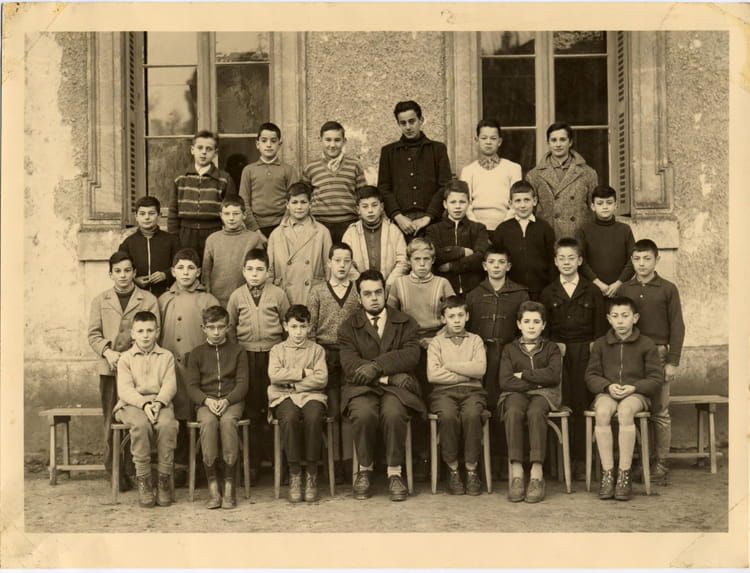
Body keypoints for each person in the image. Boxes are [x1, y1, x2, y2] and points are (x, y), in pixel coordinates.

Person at [339, 269, 426, 501]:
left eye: (378, 292)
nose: (374, 298)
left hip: (397, 389)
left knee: (394, 413)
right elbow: (350, 365)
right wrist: (388, 376)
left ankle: (395, 472)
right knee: (363, 413)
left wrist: (376, 367)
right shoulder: (348, 327)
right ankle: (364, 470)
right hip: (362, 388)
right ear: (359, 297)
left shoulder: (405, 322)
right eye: (367, 294)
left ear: (385, 293)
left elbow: (411, 355)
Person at [87, 251, 160, 483]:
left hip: (139, 370)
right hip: (109, 369)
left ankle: (135, 469)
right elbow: (93, 335)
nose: (123, 275)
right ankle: (115, 471)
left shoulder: (148, 299)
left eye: (127, 270)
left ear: (134, 272)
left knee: (136, 418)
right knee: (111, 419)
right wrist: (108, 352)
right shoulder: (100, 300)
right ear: (110, 274)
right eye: (117, 271)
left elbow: (154, 334)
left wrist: (129, 358)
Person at [617, 239, 685, 483]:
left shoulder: (668, 289)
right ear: (631, 261)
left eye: (647, 258)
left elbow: (677, 326)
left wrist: (672, 362)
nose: (642, 264)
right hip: (632, 353)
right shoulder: (625, 289)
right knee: (632, 408)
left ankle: (661, 463)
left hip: (658, 354)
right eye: (637, 259)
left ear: (657, 259)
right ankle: (639, 460)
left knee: (659, 410)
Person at [387, 237, 455, 480]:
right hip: (409, 348)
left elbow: (454, 315)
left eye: (427, 259)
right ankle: (420, 457)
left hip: (439, 346)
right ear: (409, 261)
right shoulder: (399, 285)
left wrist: (435, 339)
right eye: (417, 259)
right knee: (414, 402)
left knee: (438, 401)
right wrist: (413, 342)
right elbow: (391, 320)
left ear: (433, 260)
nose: (422, 263)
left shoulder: (442, 283)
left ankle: (442, 459)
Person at [539, 237, 606, 480]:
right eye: (562, 258)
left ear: (579, 261)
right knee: (561, 402)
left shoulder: (592, 291)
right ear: (555, 262)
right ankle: (558, 462)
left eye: (571, 258)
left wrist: (594, 347)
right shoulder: (548, 292)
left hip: (584, 352)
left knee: (581, 402)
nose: (566, 262)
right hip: (558, 353)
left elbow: (600, 327)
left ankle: (581, 461)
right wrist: (551, 345)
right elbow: (543, 327)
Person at [585, 296, 664, 501]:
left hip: (636, 394)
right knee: (602, 412)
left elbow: (656, 377)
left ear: (635, 318)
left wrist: (635, 387)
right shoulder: (601, 344)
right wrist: (607, 386)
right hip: (608, 392)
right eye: (615, 316)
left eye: (625, 316)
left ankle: (624, 474)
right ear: (609, 319)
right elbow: (591, 375)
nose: (620, 321)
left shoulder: (646, 344)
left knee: (626, 411)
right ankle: (608, 472)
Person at [227, 247, 290, 480]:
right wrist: (237, 354)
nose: (254, 274)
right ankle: (252, 464)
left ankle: (279, 463)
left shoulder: (278, 294)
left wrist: (283, 354)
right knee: (251, 410)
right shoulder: (236, 296)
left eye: (259, 269)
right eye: (250, 269)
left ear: (268, 272)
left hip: (273, 357)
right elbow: (230, 327)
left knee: (274, 407)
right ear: (243, 271)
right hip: (247, 357)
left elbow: (287, 324)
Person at [158, 247, 220, 483]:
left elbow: (217, 333)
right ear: (173, 271)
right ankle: (180, 464)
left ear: (199, 272)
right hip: (172, 369)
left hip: (200, 369)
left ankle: (204, 465)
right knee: (177, 414)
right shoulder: (164, 299)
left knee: (201, 413)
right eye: (181, 268)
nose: (185, 273)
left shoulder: (207, 299)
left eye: (191, 268)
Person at [465, 246, 529, 473]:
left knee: (508, 402)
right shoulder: (474, 295)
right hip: (483, 356)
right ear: (484, 266)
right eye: (491, 262)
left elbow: (525, 329)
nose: (496, 266)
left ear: (508, 266)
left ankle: (506, 456)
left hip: (509, 356)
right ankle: (488, 460)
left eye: (501, 262)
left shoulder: (520, 294)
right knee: (486, 402)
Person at [307, 242, 361, 483]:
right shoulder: (317, 291)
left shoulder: (358, 291)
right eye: (337, 260)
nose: (342, 265)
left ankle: (349, 463)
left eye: (346, 261)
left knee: (347, 408)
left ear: (352, 264)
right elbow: (310, 329)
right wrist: (314, 358)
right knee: (330, 409)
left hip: (350, 355)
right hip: (324, 355)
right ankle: (332, 464)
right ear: (329, 263)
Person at [498, 301, 562, 503]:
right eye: (526, 321)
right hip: (516, 393)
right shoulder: (510, 349)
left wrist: (524, 374)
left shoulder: (551, 348)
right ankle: (517, 472)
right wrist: (537, 382)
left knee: (535, 412)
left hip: (545, 395)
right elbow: (505, 380)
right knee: (513, 411)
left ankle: (536, 473)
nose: (531, 326)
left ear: (543, 325)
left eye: (536, 322)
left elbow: (554, 376)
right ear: (519, 324)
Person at [185, 306, 248, 509]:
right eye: (211, 327)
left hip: (232, 401)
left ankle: (229, 485)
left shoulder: (238, 351)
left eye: (221, 327)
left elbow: (242, 384)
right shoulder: (196, 354)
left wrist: (228, 400)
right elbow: (192, 386)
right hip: (207, 403)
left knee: (228, 422)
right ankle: (213, 486)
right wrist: (206, 401)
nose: (216, 332)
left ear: (228, 327)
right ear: (203, 328)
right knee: (209, 422)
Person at [114, 311, 178, 508]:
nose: (145, 335)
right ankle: (144, 480)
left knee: (167, 424)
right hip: (131, 405)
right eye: (140, 331)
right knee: (141, 425)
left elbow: (170, 385)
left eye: (150, 330)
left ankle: (164, 479)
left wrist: (158, 403)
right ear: (132, 333)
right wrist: (143, 404)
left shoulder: (166, 356)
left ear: (157, 332)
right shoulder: (125, 358)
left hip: (159, 403)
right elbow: (125, 390)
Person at [426, 295, 487, 495]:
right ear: (443, 319)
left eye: (461, 315)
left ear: (467, 316)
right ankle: (452, 469)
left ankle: (471, 469)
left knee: (472, 415)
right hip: (443, 393)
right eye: (451, 316)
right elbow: (433, 375)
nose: (457, 320)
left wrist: (449, 366)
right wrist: (466, 374)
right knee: (448, 416)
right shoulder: (436, 343)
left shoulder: (475, 340)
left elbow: (480, 369)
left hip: (473, 392)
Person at [268, 305, 328, 503]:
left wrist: (294, 385)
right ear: (285, 326)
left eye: (303, 327)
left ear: (309, 327)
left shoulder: (317, 350)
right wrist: (303, 373)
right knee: (290, 417)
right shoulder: (277, 350)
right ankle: (295, 473)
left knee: (313, 417)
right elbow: (274, 375)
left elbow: (321, 379)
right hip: (283, 396)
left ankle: (311, 473)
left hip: (312, 395)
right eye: (294, 327)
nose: (298, 332)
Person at [378, 100, 452, 236]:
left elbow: (445, 186)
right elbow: (384, 188)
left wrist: (428, 217)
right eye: (403, 123)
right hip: (400, 223)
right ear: (398, 124)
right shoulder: (388, 152)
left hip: (432, 222)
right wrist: (398, 216)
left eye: (412, 121)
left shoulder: (438, 149)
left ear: (421, 120)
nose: (408, 127)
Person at [168, 130, 237, 260]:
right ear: (192, 150)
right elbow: (173, 211)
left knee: (213, 266)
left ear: (215, 153)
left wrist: (226, 236)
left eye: (209, 149)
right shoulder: (180, 178)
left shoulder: (224, 179)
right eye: (200, 148)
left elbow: (231, 211)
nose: (204, 152)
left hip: (214, 232)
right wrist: (174, 237)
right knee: (187, 266)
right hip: (186, 234)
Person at [525, 122, 598, 239]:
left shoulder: (588, 173)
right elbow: (530, 212)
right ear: (548, 143)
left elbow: (594, 208)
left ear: (570, 142)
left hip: (578, 237)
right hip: (548, 237)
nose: (558, 144)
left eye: (562, 139)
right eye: (554, 140)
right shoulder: (534, 175)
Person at [267, 182, 333, 306]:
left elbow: (329, 267)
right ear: (287, 205)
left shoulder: (322, 232)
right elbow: (270, 271)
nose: (299, 207)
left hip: (312, 293)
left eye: (303, 202)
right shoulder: (276, 234)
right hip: (284, 295)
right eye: (294, 202)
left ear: (310, 204)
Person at [302, 121, 367, 243]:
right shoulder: (311, 167)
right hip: (319, 223)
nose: (332, 145)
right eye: (328, 140)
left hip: (348, 223)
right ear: (320, 140)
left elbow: (363, 195)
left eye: (337, 140)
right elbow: (304, 197)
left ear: (344, 141)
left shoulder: (354, 165)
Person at [491, 180, 555, 300]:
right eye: (518, 201)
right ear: (510, 203)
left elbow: (552, 260)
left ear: (534, 201)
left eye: (527, 200)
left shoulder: (544, 228)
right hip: (511, 291)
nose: (522, 205)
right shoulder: (503, 229)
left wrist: (550, 287)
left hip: (540, 289)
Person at [425, 179, 490, 295]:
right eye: (453, 202)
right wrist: (460, 251)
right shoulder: (433, 230)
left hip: (474, 290)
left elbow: (481, 257)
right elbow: (435, 255)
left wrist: (452, 266)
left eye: (462, 202)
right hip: (444, 291)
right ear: (445, 204)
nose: (458, 206)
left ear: (469, 203)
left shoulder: (478, 228)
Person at [341, 185, 408, 292]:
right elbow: (346, 261)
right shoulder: (351, 232)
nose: (370, 210)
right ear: (358, 209)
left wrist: (389, 284)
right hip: (360, 289)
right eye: (365, 206)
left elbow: (403, 261)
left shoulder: (393, 231)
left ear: (381, 207)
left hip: (389, 288)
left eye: (374, 205)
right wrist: (361, 283)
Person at [460, 119, 523, 232]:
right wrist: (478, 229)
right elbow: (466, 204)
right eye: (484, 138)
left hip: (506, 226)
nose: (488, 142)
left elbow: (517, 202)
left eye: (493, 138)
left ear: (499, 141)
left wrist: (503, 227)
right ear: (477, 140)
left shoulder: (513, 168)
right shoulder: (468, 171)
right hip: (475, 228)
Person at [202, 196, 266, 307]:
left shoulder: (253, 239)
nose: (231, 218)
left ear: (244, 215)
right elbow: (206, 272)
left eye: (236, 214)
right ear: (221, 215)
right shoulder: (212, 240)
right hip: (217, 298)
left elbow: (259, 269)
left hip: (246, 298)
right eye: (227, 214)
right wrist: (208, 295)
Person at [238, 122, 298, 240]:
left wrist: (282, 227)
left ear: (279, 144)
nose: (269, 145)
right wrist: (255, 230)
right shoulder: (249, 170)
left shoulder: (288, 170)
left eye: (273, 141)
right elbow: (243, 202)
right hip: (255, 227)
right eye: (264, 141)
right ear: (257, 144)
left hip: (283, 226)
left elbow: (294, 201)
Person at [578, 185, 636, 298]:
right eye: (600, 203)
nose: (605, 207)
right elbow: (581, 261)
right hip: (592, 290)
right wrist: (598, 283)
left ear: (615, 205)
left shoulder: (625, 230)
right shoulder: (584, 230)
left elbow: (633, 259)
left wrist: (619, 283)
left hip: (620, 290)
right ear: (593, 206)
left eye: (609, 203)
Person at [118, 196, 180, 298]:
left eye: (151, 213)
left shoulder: (172, 241)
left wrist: (166, 274)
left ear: (159, 216)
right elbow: (120, 269)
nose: (147, 217)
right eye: (142, 214)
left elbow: (181, 265)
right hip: (137, 297)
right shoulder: (128, 243)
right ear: (136, 216)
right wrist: (134, 280)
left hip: (166, 295)